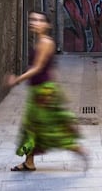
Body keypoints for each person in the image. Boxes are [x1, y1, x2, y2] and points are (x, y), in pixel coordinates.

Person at [5, 11, 88, 172]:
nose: (34, 22)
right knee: (31, 127)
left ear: (47, 25)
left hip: (43, 93)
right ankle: (29, 162)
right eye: (32, 19)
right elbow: (50, 69)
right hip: (39, 91)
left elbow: (38, 67)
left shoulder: (45, 42)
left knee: (49, 128)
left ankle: (77, 149)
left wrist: (17, 79)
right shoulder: (39, 41)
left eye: (39, 20)